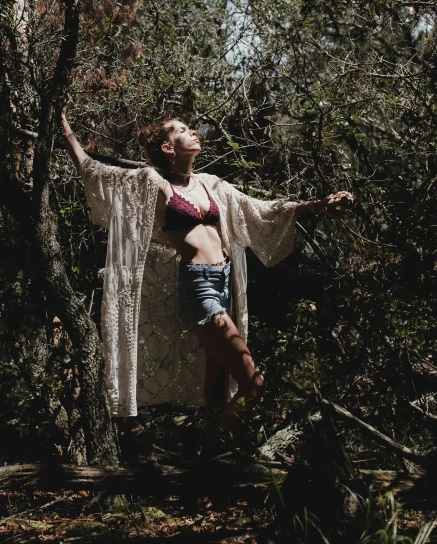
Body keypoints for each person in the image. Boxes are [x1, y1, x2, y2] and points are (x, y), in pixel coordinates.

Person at [60, 108, 353, 434]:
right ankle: (223, 451)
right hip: (198, 289)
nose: (194, 132)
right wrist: (66, 131)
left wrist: (317, 206)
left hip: (223, 284)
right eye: (183, 130)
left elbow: (260, 209)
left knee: (216, 389)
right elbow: (95, 171)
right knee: (254, 384)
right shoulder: (153, 182)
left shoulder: (210, 185)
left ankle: (212, 456)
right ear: (168, 147)